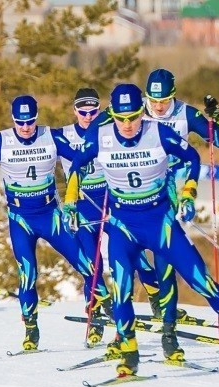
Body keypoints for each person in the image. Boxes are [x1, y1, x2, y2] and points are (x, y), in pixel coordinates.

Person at [63, 83, 219, 376]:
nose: (127, 125)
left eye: (134, 117)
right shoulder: (100, 136)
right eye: (121, 118)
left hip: (160, 223)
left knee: (201, 282)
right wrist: (71, 200)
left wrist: (188, 192)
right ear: (112, 114)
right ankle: (129, 352)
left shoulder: (158, 132)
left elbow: (193, 157)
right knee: (121, 291)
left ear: (142, 113)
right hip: (123, 227)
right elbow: (75, 166)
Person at [0, 95, 110, 351]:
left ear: (37, 117)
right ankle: (31, 330)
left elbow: (79, 157)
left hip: (50, 215)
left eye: (30, 121)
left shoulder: (51, 136)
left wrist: (81, 171)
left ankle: (102, 310)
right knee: (28, 274)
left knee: (87, 265)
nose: (25, 127)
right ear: (13, 120)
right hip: (21, 219)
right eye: (20, 122)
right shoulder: (3, 140)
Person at [53, 88, 164, 332]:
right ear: (75, 111)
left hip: (109, 199)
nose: (88, 116)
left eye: (93, 111)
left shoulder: (109, 131)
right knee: (92, 264)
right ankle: (96, 318)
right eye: (83, 112)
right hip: (82, 204)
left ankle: (158, 299)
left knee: (134, 254)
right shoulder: (62, 135)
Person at [140, 68, 219, 329]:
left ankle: (166, 309)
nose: (158, 107)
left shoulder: (185, 113)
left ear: (173, 96)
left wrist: (216, 118)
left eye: (164, 101)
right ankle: (156, 297)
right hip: (140, 184)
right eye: (153, 101)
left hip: (174, 181)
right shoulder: (137, 112)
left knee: (163, 247)